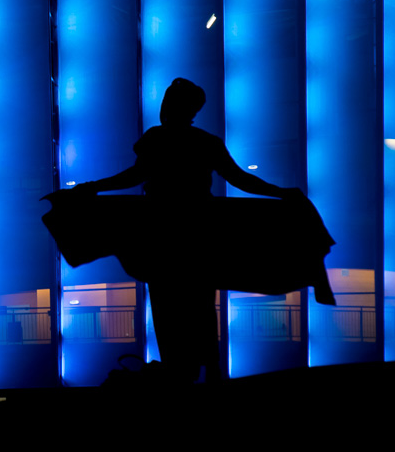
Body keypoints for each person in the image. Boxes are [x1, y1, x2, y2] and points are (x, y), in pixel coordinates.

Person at [71, 78, 302, 383]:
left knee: (168, 304)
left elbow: (135, 176)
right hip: (197, 231)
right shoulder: (206, 143)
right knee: (200, 302)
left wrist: (93, 187)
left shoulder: (158, 139)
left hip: (163, 232)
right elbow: (239, 179)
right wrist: (280, 193)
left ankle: (179, 369)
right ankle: (208, 369)